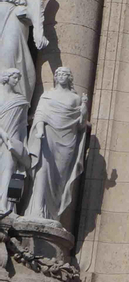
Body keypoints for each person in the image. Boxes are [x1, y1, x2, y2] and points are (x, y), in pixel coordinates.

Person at [25, 67, 87, 225]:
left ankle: (53, 215)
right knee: (42, 171)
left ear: (70, 78)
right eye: (58, 74)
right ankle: (37, 210)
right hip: (47, 136)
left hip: (67, 141)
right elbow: (40, 114)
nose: (60, 76)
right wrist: (39, 130)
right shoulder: (47, 95)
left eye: (65, 74)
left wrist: (84, 109)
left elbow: (80, 125)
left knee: (60, 177)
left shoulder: (75, 99)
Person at [0, 0, 52, 105]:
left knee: (10, 56)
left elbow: (33, 5)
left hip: (14, 19)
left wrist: (38, 31)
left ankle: (13, 100)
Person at [0, 69, 28, 216]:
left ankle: (3, 204)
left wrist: (22, 147)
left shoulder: (20, 100)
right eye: (14, 77)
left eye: (18, 78)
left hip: (12, 141)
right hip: (3, 136)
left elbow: (23, 125)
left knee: (9, 170)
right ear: (7, 77)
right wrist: (3, 133)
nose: (17, 80)